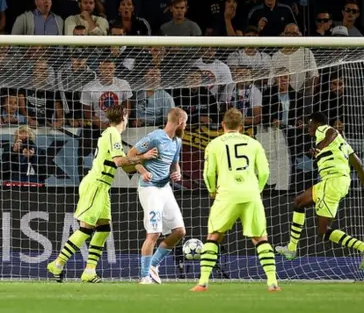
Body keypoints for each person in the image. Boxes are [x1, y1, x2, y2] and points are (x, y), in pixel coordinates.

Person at [46, 104, 158, 283]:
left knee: (104, 228)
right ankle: (57, 263)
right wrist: (144, 157)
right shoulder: (113, 133)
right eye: (127, 115)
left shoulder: (111, 134)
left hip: (103, 186)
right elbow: (120, 161)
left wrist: (142, 170)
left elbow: (124, 162)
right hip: (96, 184)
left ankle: (90, 270)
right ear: (124, 115)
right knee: (86, 228)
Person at [192, 108, 279, 292]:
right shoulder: (254, 143)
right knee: (261, 238)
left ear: (223, 124)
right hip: (251, 194)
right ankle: (272, 283)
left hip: (227, 194)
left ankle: (202, 283)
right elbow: (264, 172)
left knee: (214, 236)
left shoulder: (214, 144)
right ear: (241, 126)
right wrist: (257, 189)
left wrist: (212, 190)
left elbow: (208, 173)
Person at [275, 112, 364, 269]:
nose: (309, 128)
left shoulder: (325, 130)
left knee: (323, 231)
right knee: (298, 202)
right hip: (332, 182)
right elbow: (358, 164)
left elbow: (333, 131)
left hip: (334, 182)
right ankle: (291, 248)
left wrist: (320, 147)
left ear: (316, 123)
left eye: (310, 124)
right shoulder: (343, 144)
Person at [127, 108, 187, 284]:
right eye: (185, 122)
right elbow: (131, 155)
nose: (186, 125)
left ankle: (153, 265)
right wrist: (143, 170)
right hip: (149, 189)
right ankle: (145, 277)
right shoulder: (155, 137)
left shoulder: (177, 142)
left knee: (179, 231)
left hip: (165, 188)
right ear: (179, 122)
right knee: (154, 233)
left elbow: (175, 165)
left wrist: (178, 173)